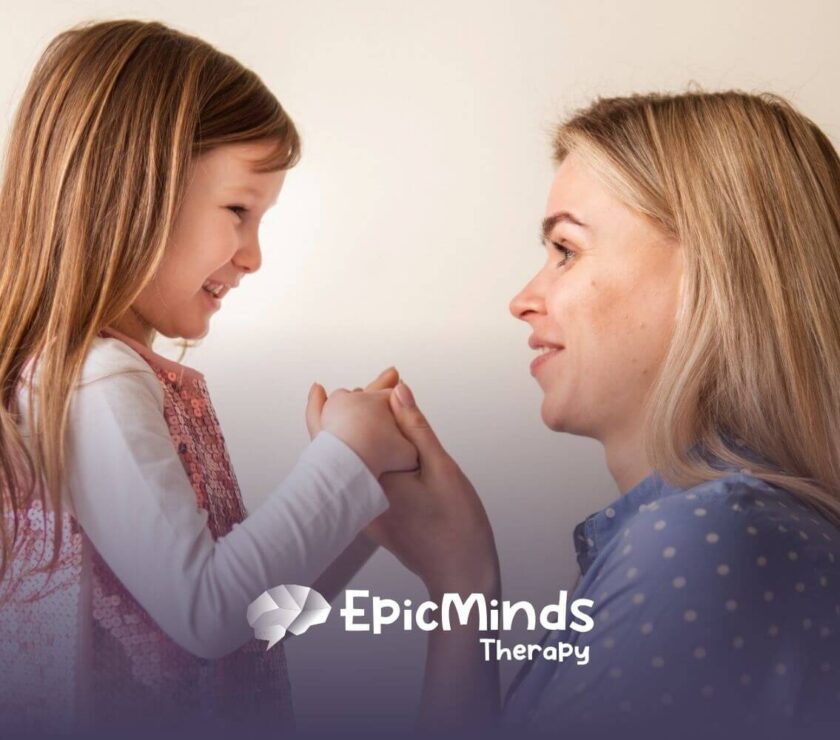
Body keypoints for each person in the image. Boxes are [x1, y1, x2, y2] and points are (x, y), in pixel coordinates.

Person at [350, 91, 840, 739]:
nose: (523, 300)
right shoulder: (737, 534)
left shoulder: (705, 542)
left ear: (711, 269)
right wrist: (459, 578)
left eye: (567, 250)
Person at [0, 19, 417, 737]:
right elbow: (211, 613)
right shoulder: (94, 383)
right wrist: (346, 457)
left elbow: (255, 626)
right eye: (238, 211)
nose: (253, 255)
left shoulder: (106, 379)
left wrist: (361, 502)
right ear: (128, 191)